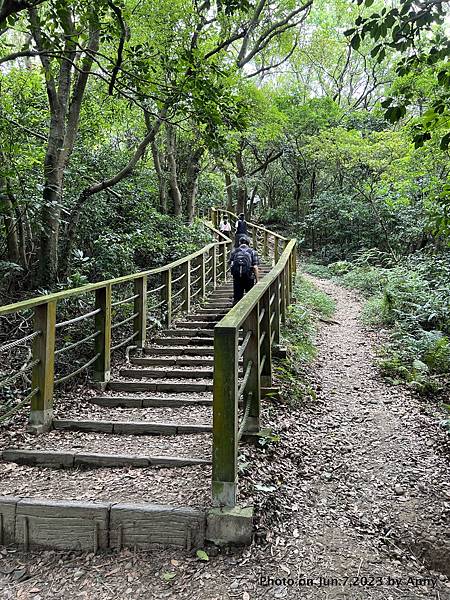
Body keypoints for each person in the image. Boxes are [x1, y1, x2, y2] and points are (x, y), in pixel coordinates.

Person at [229, 236, 259, 305]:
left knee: (237, 297)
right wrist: (257, 280)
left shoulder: (234, 251)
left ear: (239, 243)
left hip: (237, 277)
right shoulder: (252, 252)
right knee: (250, 296)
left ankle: (235, 310)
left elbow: (231, 264)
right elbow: (255, 267)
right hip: (249, 276)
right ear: (249, 243)